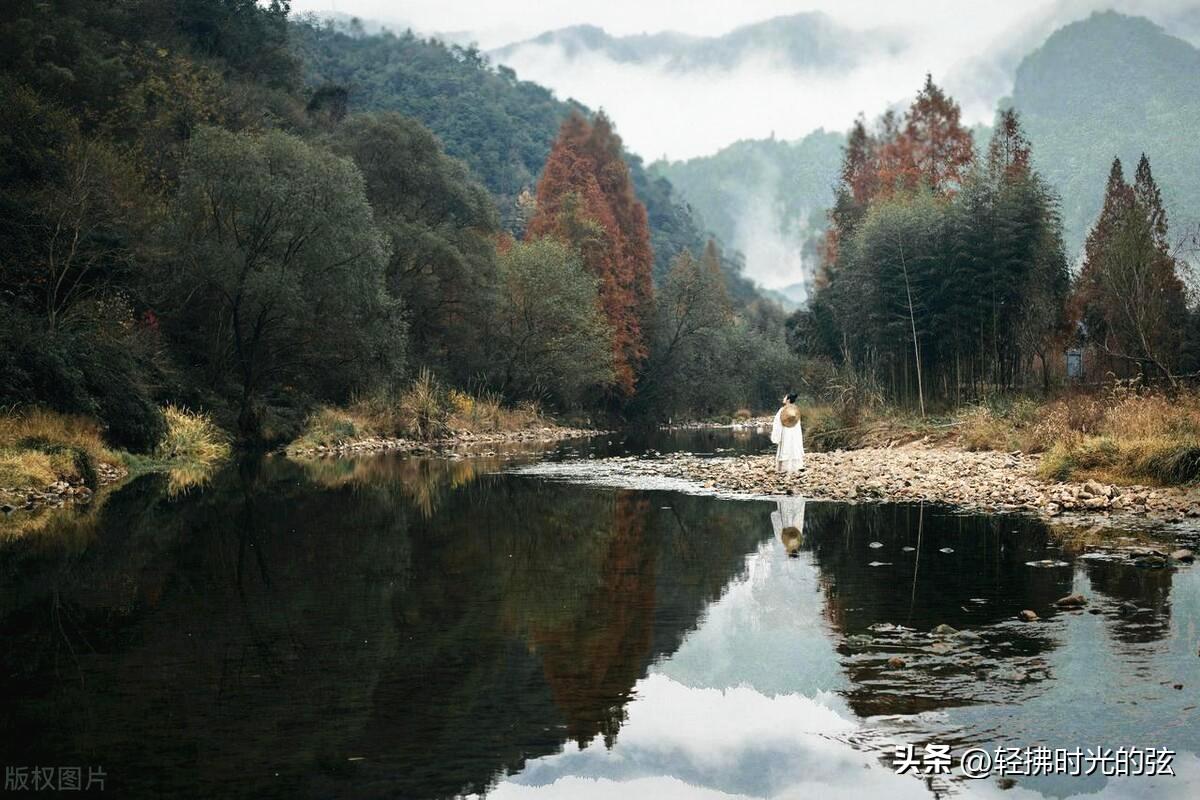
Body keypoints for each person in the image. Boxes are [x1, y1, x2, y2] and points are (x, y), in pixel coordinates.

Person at [770, 393, 805, 474]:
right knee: (794, 447)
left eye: (785, 397)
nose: (783, 398)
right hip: (794, 433)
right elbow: (797, 424)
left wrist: (776, 436)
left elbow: (777, 423)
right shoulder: (796, 410)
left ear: (788, 400)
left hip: (786, 432)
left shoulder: (782, 410)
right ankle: (797, 466)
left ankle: (783, 468)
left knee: (785, 447)